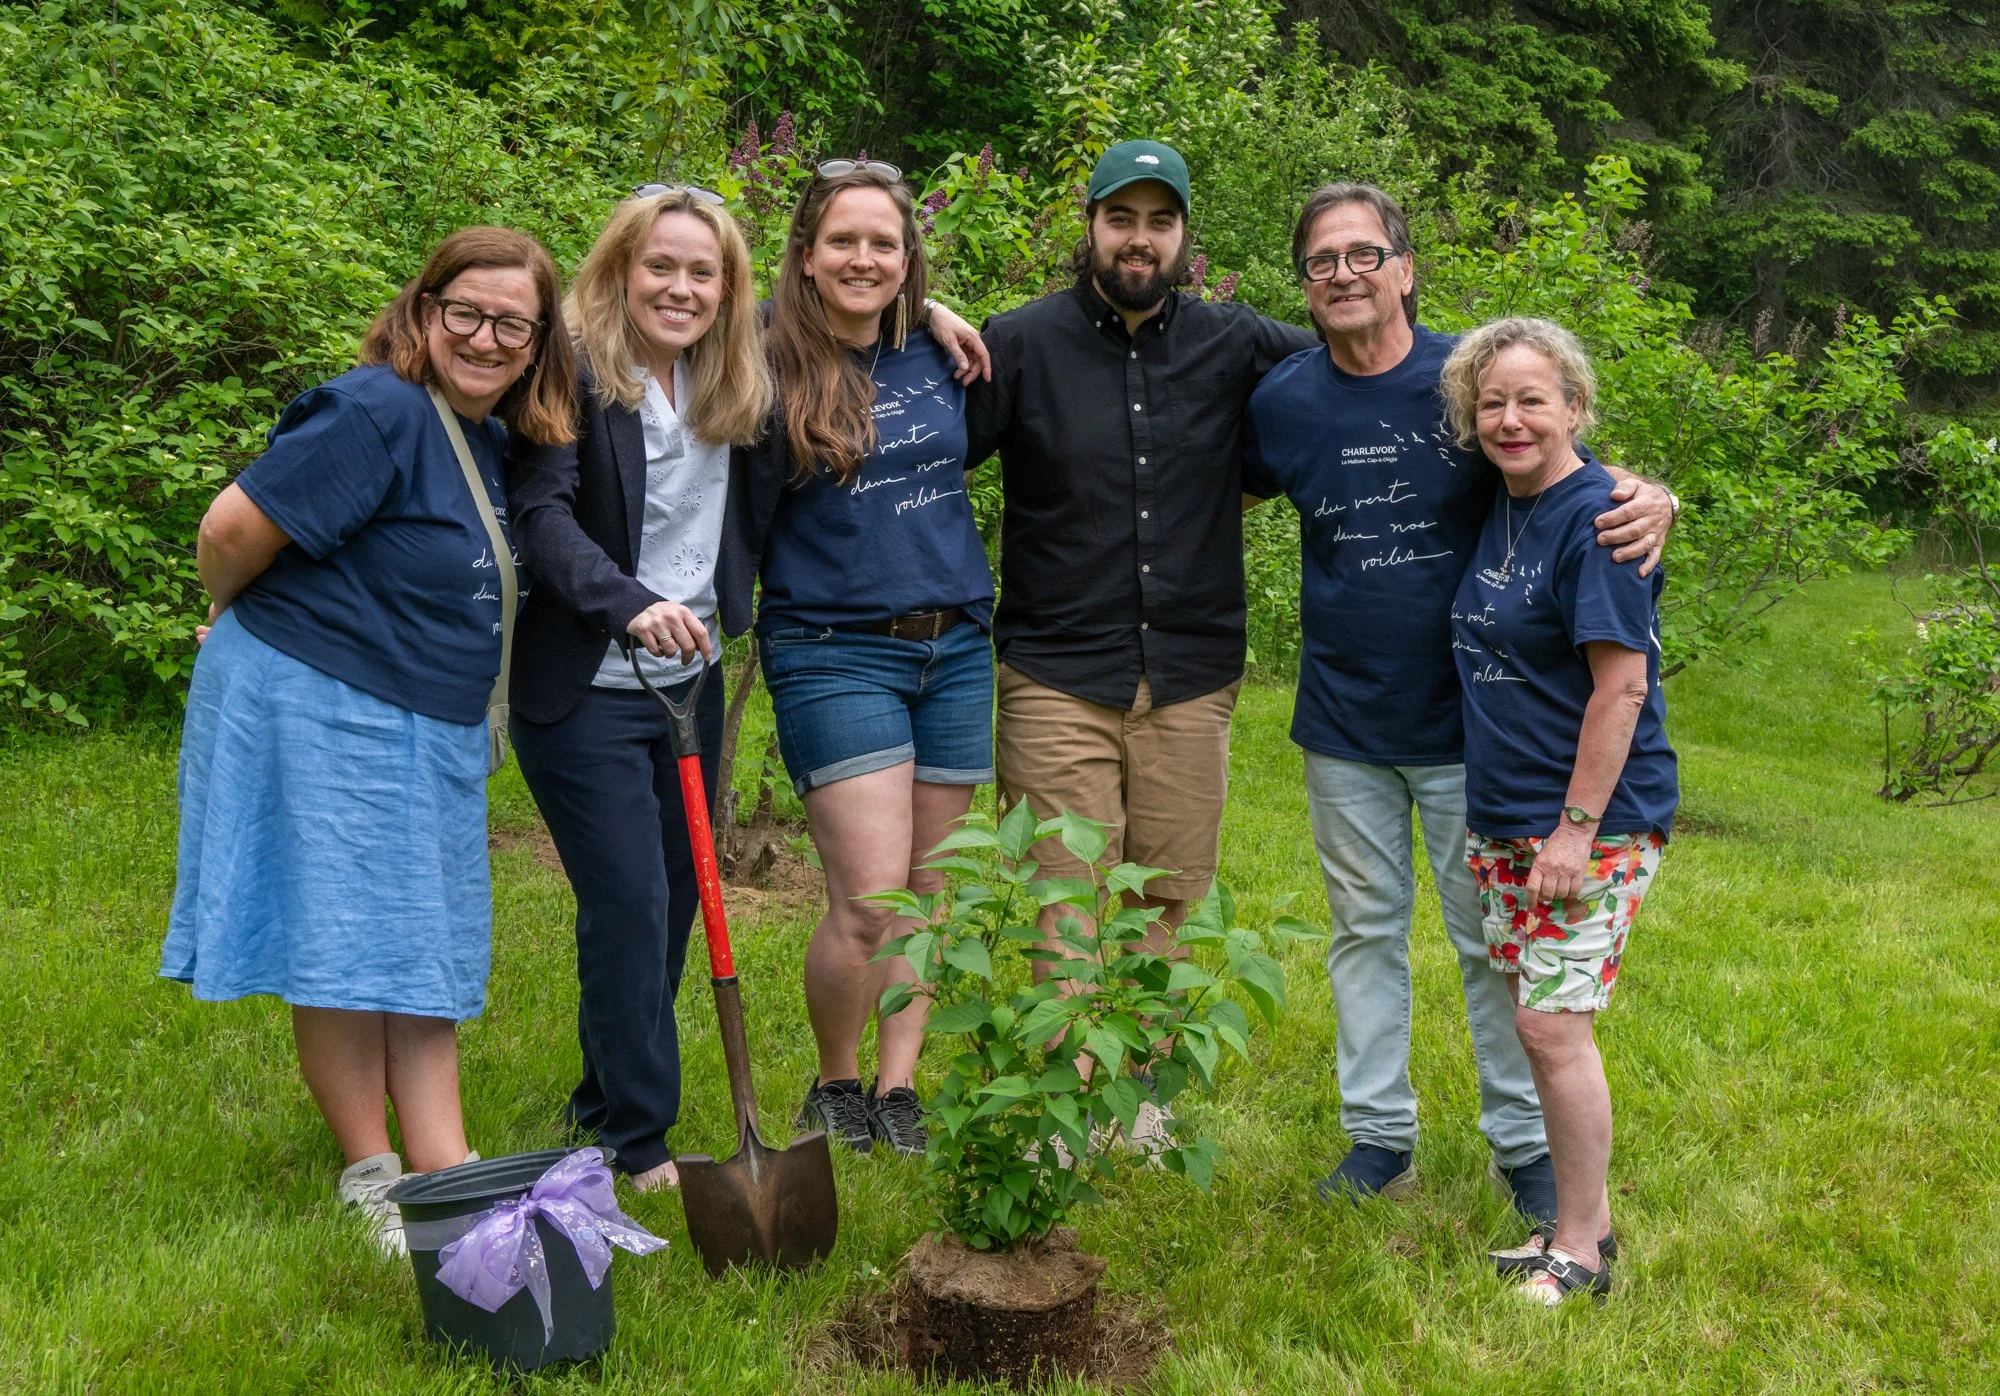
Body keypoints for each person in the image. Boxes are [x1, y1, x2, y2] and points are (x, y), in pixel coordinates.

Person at [1240, 183, 1676, 1221]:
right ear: (1303, 284)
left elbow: (1556, 461)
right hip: (1342, 718)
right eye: (1320, 261)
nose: (1343, 275)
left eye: (1363, 254)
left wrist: (1648, 492)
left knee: (1489, 943)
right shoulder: (1283, 400)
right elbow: (1222, 488)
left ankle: (1524, 1148)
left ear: (1403, 268)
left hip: (1472, 730)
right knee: (1362, 932)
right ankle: (1377, 1135)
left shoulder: (1467, 383)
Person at [163, 226, 576, 1255]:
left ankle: (442, 1167)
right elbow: (228, 532)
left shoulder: (483, 433)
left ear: (538, 343)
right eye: (465, 312)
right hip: (323, 699)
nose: (485, 338)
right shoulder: (376, 411)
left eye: (512, 324)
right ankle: (378, 1175)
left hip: (420, 720)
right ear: (424, 311)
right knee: (350, 941)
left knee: (415, 942)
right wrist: (232, 611)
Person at [965, 140, 1320, 1153]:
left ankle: (1135, 1107)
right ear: (1088, 225)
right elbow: (922, 443)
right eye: (1120, 218)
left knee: (1166, 896)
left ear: (1184, 236)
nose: (1139, 239)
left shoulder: (1236, 342)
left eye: (1160, 222)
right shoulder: (1018, 342)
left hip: (1190, 675)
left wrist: (1594, 470)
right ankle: (1064, 1115)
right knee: (1065, 901)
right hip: (1055, 671)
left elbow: (1378, 361)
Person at [503, 185, 773, 1195]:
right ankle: (640, 1140)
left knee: (668, 909)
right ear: (619, 269)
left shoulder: (732, 370)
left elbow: (849, 302)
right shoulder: (571, 372)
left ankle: (601, 1097)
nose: (680, 287)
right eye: (659, 265)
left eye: (703, 271)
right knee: (629, 904)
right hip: (586, 685)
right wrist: (628, 603)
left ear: (729, 288)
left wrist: (933, 310)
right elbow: (542, 517)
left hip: (688, 683)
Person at [754, 161, 997, 1158]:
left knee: (928, 898)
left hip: (956, 646)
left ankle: (898, 1090)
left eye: (883, 244)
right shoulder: (761, 360)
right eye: (843, 241)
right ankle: (835, 1083)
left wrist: (931, 311)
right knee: (867, 898)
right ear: (806, 255)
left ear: (907, 259)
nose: (863, 258)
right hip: (831, 650)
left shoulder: (937, 354)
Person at [1440, 317, 1677, 1303]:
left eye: (1531, 399)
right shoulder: (1504, 506)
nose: (1510, 419)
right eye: (1491, 402)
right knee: (1533, 1021)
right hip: (1505, 815)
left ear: (1574, 407)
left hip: (1590, 822)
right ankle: (1588, 1224)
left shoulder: (1600, 523)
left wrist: (1574, 832)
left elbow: (1621, 688)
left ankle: (1576, 1250)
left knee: (1550, 1028)